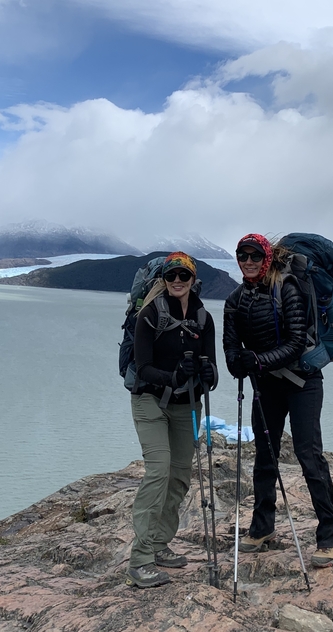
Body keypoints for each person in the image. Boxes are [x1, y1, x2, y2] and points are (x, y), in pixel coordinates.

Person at [222, 234, 333, 568]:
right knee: (265, 456)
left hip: (302, 382)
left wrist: (257, 361)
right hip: (267, 385)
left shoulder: (287, 287)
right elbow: (231, 348)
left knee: (309, 455)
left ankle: (332, 534)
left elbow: (295, 342)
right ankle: (262, 527)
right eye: (241, 256)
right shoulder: (235, 300)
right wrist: (239, 362)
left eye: (253, 256)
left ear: (266, 257)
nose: (247, 262)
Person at [127, 251, 217, 588]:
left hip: (188, 407)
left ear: (193, 279)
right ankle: (140, 561)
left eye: (183, 276)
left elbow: (213, 371)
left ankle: (160, 544)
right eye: (171, 277)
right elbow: (143, 368)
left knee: (179, 476)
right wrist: (175, 375)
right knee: (158, 471)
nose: (177, 282)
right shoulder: (149, 315)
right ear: (163, 280)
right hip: (150, 401)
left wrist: (208, 373)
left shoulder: (204, 318)